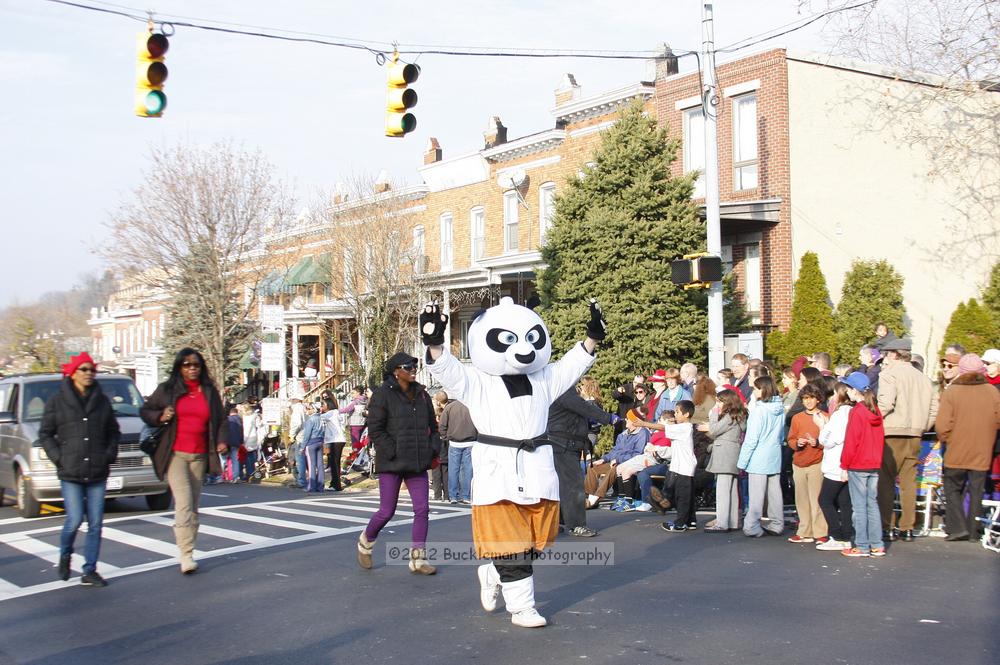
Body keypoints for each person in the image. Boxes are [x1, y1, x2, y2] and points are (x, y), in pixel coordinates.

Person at [423, 297, 604, 628]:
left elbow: (572, 364)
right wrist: (435, 344)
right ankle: (522, 607)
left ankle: (493, 571)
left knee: (538, 540)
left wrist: (592, 336)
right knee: (510, 545)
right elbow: (448, 370)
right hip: (498, 470)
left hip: (537, 468)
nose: (523, 349)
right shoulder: (477, 381)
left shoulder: (544, 378)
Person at [141, 348, 228, 574]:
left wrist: (221, 441)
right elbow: (145, 410)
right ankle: (185, 554)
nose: (192, 369)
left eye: (196, 365)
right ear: (179, 367)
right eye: (187, 364)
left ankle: (189, 548)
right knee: (184, 502)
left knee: (194, 507)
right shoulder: (167, 390)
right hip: (175, 454)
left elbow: (220, 420)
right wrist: (161, 416)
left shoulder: (208, 391)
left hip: (199, 456)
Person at [38, 352, 119, 587]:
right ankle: (65, 554)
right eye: (84, 369)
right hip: (70, 470)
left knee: (95, 524)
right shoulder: (57, 401)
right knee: (74, 520)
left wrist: (108, 455)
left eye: (92, 370)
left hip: (97, 470)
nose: (89, 374)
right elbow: (45, 433)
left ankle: (89, 569)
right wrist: (58, 457)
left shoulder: (102, 400)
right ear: (72, 373)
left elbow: (113, 431)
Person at [357, 352, 439, 576]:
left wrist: (433, 447)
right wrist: (392, 450)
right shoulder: (382, 395)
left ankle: (418, 559)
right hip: (392, 461)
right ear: (396, 371)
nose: (413, 369)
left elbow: (433, 425)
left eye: (415, 365)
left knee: (422, 509)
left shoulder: (422, 395)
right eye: (408, 366)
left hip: (417, 461)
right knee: (386, 511)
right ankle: (366, 541)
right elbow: (375, 429)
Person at [876, 338, 937, 542]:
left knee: (885, 481)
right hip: (915, 433)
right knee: (908, 482)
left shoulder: (889, 374)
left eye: (887, 354)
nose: (886, 358)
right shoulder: (923, 378)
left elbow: (886, 403)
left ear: (894, 354)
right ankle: (907, 527)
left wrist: (872, 420)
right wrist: (922, 426)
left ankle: (887, 525)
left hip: (892, 432)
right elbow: (934, 409)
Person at [935, 354, 1000, 541]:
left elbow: (942, 424)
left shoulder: (952, 391)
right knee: (977, 488)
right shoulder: (991, 391)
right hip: (983, 447)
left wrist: (946, 438)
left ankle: (957, 527)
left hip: (956, 446)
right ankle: (973, 530)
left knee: (952, 486)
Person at [547, 383, 616, 536]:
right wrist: (610, 418)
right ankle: (576, 525)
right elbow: (584, 408)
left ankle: (559, 521)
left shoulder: (558, 389)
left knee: (561, 486)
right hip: (563, 444)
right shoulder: (563, 389)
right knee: (573, 485)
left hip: (562, 443)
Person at [839, 372, 886, 557]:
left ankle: (862, 545)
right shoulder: (875, 410)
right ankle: (877, 544)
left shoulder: (857, 412)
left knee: (858, 506)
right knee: (871, 504)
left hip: (858, 463)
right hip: (874, 463)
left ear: (853, 391)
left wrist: (844, 465)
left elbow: (851, 442)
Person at [737, 376, 786, 538]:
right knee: (774, 492)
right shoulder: (779, 408)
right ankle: (777, 523)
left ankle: (752, 525)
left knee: (756, 494)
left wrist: (742, 461)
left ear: (763, 389)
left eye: (757, 388)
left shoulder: (759, 411)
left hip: (759, 456)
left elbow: (752, 439)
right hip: (774, 453)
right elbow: (781, 434)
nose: (754, 391)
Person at [785, 384, 829, 544]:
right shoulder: (797, 418)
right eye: (805, 398)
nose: (808, 401)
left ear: (818, 399)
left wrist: (817, 442)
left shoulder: (825, 417)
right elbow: (790, 439)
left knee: (816, 498)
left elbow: (830, 440)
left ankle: (820, 531)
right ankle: (804, 530)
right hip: (799, 461)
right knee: (801, 499)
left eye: (811, 398)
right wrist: (798, 443)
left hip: (817, 461)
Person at [701, 389, 747, 533]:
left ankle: (722, 523)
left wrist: (713, 415)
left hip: (724, 454)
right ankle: (732, 521)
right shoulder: (738, 416)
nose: (717, 404)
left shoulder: (728, 416)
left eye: (720, 401)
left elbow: (714, 430)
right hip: (732, 453)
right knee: (731, 489)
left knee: (722, 490)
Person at [816, 382, 855, 551]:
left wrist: (822, 427)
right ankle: (846, 535)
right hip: (846, 462)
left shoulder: (841, 414)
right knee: (844, 501)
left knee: (824, 499)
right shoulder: (852, 412)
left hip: (836, 463)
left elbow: (829, 440)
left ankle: (837, 535)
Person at [661, 400, 698, 532]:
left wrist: (643, 423)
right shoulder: (682, 427)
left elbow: (663, 428)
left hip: (684, 467)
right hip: (681, 466)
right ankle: (691, 520)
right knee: (688, 495)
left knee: (682, 497)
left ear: (686, 414)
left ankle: (680, 523)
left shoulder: (685, 427)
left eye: (677, 412)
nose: (675, 414)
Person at [440, 396, 478, 505]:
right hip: (471, 441)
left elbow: (442, 425)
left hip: (454, 442)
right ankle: (466, 496)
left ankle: (453, 496)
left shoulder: (449, 407)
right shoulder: (471, 406)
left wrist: (446, 437)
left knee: (453, 469)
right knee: (468, 470)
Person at [320, 398, 347, 491]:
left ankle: (336, 485)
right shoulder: (335, 413)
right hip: (338, 439)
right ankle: (334, 483)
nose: (322, 406)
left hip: (336, 440)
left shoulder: (331, 413)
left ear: (329, 405)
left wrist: (314, 412)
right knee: (334, 463)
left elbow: (318, 418)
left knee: (334, 463)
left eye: (323, 404)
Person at [299, 402, 326, 492]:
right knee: (320, 465)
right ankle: (320, 486)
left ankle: (311, 486)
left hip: (311, 443)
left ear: (314, 409)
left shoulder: (310, 420)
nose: (308, 410)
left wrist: (302, 447)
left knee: (311, 465)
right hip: (320, 442)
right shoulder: (322, 418)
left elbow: (306, 435)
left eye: (309, 408)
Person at [339, 386, 369, 459]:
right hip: (363, 423)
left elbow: (347, 409)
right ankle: (361, 457)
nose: (352, 395)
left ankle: (355, 458)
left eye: (353, 393)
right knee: (361, 442)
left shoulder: (355, 402)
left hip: (355, 424)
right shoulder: (366, 400)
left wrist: (336, 411)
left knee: (355, 443)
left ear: (358, 393)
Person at [431, 391, 450, 501]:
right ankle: (447, 494)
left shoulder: (435, 421)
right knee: (445, 472)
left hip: (437, 447)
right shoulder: (447, 413)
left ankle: (437, 495)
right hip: (445, 446)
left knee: (436, 473)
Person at [241, 403, 263, 481]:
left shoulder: (246, 418)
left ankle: (249, 474)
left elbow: (246, 430)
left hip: (248, 439)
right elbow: (259, 425)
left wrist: (243, 441)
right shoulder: (254, 415)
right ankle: (253, 472)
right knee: (253, 456)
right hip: (254, 438)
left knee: (247, 458)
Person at [224, 404, 244, 483]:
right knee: (235, 460)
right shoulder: (239, 420)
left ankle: (221, 476)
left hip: (227, 442)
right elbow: (241, 432)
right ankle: (235, 477)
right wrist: (241, 441)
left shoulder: (227, 419)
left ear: (230, 413)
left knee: (224, 459)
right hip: (236, 442)